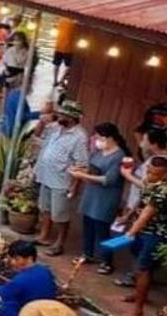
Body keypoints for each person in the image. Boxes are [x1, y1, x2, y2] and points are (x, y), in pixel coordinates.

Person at [102, 126, 167, 276]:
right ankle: (135, 274)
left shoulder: (161, 166)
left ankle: (138, 277)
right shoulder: (153, 159)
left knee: (145, 258)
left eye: (145, 139)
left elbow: (148, 192)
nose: (141, 142)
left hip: (153, 226)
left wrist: (127, 175)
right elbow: (146, 194)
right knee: (137, 249)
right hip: (138, 208)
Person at [34, 100, 89, 255]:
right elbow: (37, 135)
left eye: (63, 114)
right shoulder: (56, 128)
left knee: (60, 214)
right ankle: (44, 236)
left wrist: (74, 186)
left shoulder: (80, 137)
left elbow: (81, 163)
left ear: (72, 117)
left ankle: (59, 243)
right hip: (46, 176)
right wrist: (42, 122)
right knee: (45, 209)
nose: (59, 116)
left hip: (61, 180)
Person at [71, 122, 129, 265]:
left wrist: (83, 177)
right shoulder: (98, 152)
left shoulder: (119, 156)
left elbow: (108, 179)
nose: (97, 140)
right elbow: (93, 170)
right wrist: (80, 171)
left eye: (100, 137)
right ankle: (87, 253)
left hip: (106, 198)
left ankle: (106, 261)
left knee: (103, 231)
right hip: (91, 195)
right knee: (88, 227)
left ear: (110, 138)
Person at [122, 155, 167, 316]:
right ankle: (140, 294)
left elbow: (146, 214)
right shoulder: (151, 183)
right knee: (141, 265)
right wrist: (128, 216)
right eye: (149, 171)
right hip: (142, 231)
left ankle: (138, 311)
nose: (149, 175)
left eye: (155, 174)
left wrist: (130, 232)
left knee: (143, 269)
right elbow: (141, 202)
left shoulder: (163, 191)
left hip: (155, 234)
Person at [0, 240, 58, 316]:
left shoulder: (19, 281)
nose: (13, 262)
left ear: (29, 258)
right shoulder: (45, 270)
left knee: (0, 305)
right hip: (46, 312)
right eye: (12, 258)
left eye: (17, 259)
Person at [52, 17, 76, 86]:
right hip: (69, 48)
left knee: (56, 65)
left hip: (59, 47)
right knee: (69, 66)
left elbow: (55, 27)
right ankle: (61, 79)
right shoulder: (75, 22)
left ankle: (55, 80)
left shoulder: (61, 19)